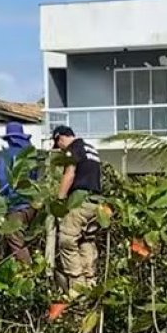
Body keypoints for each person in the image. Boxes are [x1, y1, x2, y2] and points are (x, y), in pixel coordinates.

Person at [51, 125, 103, 292]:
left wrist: (59, 200)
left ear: (61, 138)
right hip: (95, 203)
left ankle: (77, 286)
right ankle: (90, 281)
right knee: (85, 240)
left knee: (66, 240)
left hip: (79, 201)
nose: (59, 148)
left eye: (58, 144)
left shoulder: (74, 148)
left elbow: (69, 173)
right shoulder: (91, 149)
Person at [0, 122, 37, 263]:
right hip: (31, 206)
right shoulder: (31, 155)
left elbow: (2, 181)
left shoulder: (7, 156)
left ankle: (30, 273)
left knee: (14, 239)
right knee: (22, 241)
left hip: (15, 206)